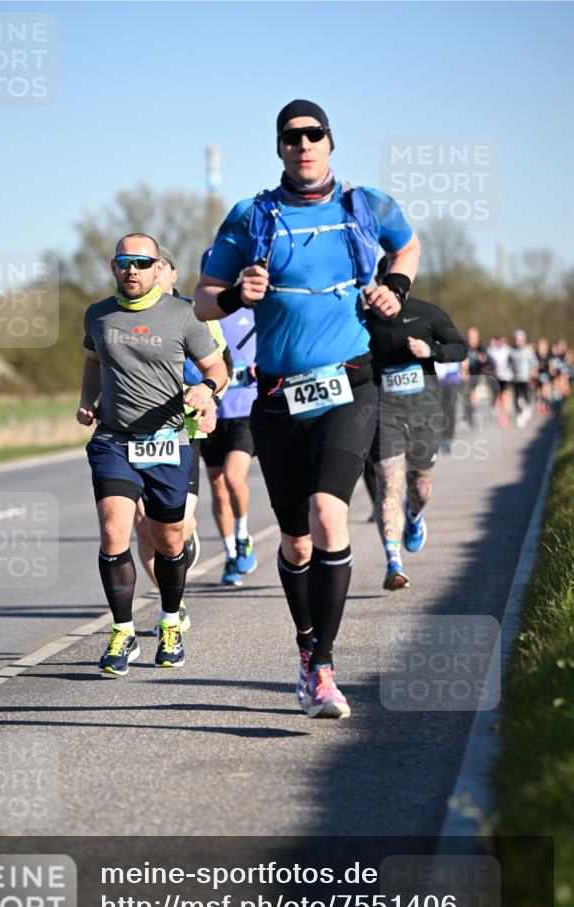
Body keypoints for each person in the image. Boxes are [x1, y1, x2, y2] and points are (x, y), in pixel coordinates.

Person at [194, 99, 419, 719]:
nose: (303, 144)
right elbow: (203, 302)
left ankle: (324, 668)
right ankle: (304, 648)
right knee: (295, 543)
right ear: (279, 147)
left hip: (350, 384)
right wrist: (239, 292)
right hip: (276, 396)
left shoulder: (364, 206)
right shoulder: (252, 216)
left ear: (330, 141)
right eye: (292, 137)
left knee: (329, 514)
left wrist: (394, 288)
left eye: (313, 134)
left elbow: (408, 246)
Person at [78, 233, 227, 674]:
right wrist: (87, 399)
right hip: (114, 439)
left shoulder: (183, 315)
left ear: (158, 267)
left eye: (143, 262)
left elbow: (216, 368)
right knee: (113, 532)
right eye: (126, 262)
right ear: (113, 266)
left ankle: (169, 621)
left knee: (170, 540)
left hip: (167, 440)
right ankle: (123, 633)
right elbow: (92, 361)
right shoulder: (98, 315)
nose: (134, 270)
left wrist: (205, 388)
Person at [133, 246, 230, 630]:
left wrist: (211, 401)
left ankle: (183, 542)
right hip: (134, 432)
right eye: (141, 267)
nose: (148, 274)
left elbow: (221, 367)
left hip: (182, 431)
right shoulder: (124, 315)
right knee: (143, 527)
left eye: (157, 267)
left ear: (171, 274)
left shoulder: (196, 313)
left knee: (177, 527)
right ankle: (173, 603)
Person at [367, 256, 466, 590]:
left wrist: (431, 350)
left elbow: (460, 348)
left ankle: (414, 515)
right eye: (381, 283)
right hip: (385, 413)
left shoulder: (428, 314)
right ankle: (393, 562)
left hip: (424, 411)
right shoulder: (363, 319)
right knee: (389, 485)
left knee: (420, 486)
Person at [199, 249, 259, 586]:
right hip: (210, 413)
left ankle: (243, 535)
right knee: (219, 491)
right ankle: (229, 556)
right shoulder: (200, 315)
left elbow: (273, 344)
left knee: (235, 480)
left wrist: (260, 364)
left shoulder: (253, 310)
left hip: (246, 410)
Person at [509, 329, 537, 428]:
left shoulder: (528, 350)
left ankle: (526, 410)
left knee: (525, 396)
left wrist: (533, 371)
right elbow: (509, 363)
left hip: (526, 378)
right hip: (516, 378)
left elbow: (534, 362)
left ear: (523, 340)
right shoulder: (512, 351)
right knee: (516, 397)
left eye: (520, 340)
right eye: (516, 340)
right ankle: (518, 415)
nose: (518, 342)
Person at [486, 334, 513, 427]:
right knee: (498, 396)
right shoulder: (493, 350)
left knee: (504, 396)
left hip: (506, 377)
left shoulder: (508, 350)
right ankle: (498, 410)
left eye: (503, 341)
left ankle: (504, 416)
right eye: (499, 341)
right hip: (496, 376)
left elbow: (513, 361)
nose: (501, 343)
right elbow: (489, 362)